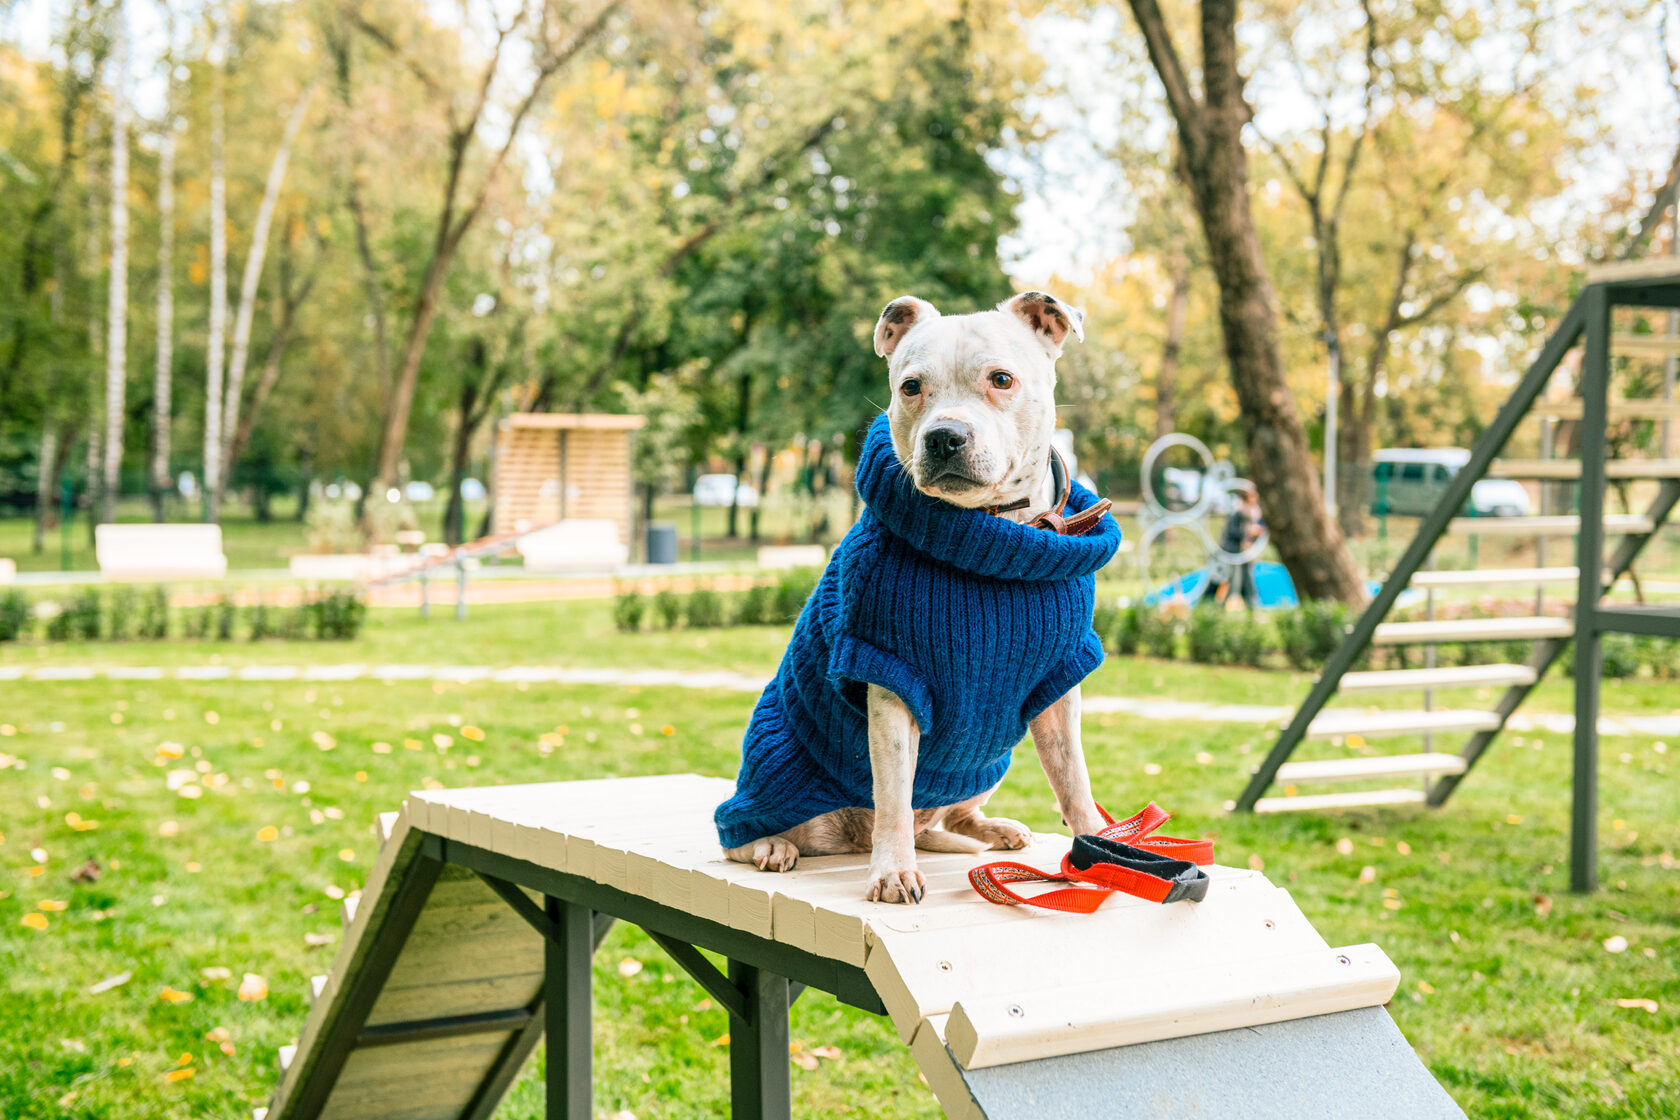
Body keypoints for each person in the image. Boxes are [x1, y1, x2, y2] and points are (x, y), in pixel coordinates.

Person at [1219, 488, 1263, 610]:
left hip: (1247, 553)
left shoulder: (1255, 513)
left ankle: (1253, 607)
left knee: (1247, 580)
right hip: (1235, 552)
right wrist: (1249, 532)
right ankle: (1224, 607)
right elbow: (1232, 532)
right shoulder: (1238, 512)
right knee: (1234, 581)